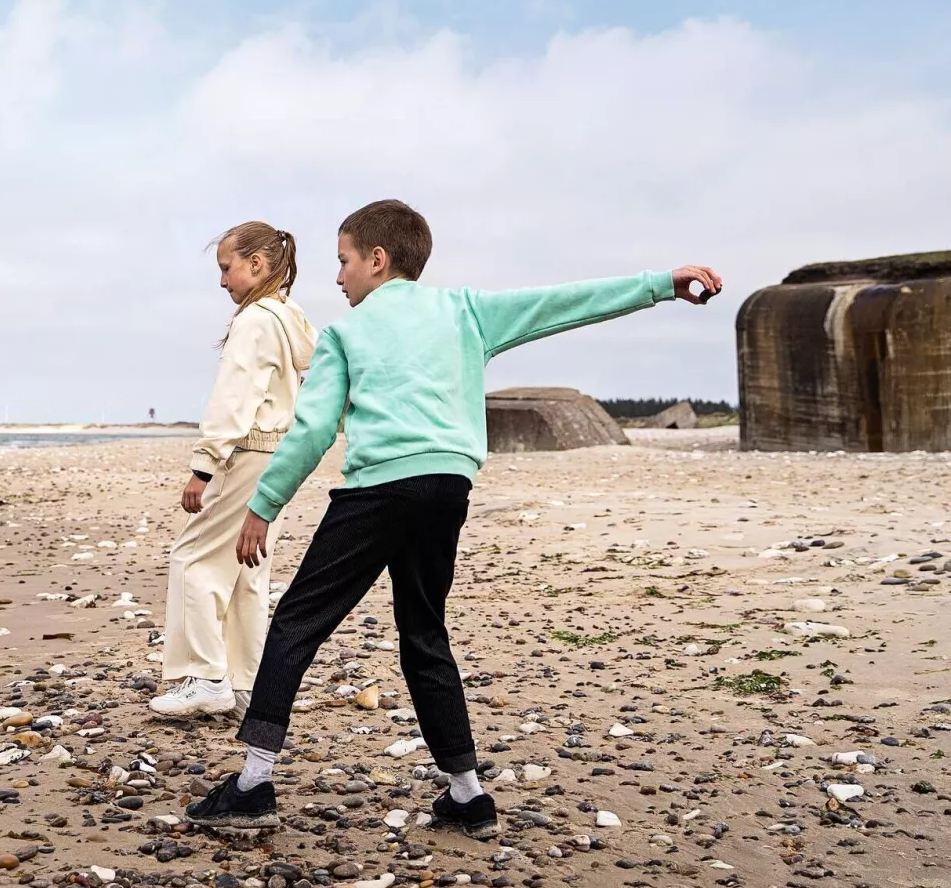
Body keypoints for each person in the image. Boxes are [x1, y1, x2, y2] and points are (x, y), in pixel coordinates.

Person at [186, 199, 722, 835]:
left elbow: (310, 431)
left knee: (299, 621)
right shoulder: (465, 311)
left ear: (377, 261)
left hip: (378, 492)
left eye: (344, 262)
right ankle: (467, 796)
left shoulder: (344, 334)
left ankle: (252, 785)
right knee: (423, 631)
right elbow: (564, 304)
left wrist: (263, 506)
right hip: (447, 488)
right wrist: (662, 285)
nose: (338, 278)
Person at [150, 222, 318, 721]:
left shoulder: (256, 320)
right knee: (248, 567)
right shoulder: (291, 317)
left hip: (247, 452)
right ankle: (245, 682)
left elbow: (234, 395)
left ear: (257, 265)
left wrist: (203, 467)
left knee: (194, 559)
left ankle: (206, 676)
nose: (222, 281)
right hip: (278, 455)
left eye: (227, 268)